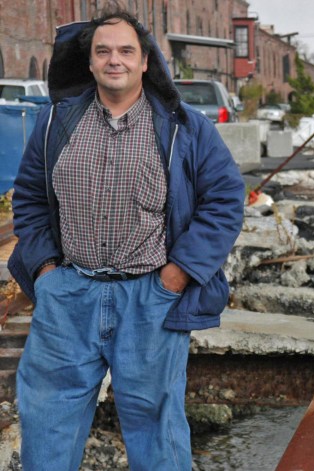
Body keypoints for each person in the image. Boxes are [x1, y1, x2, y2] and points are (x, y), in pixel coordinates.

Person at [8, 4, 244, 470]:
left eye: (125, 51)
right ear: (90, 62)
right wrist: (46, 272)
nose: (114, 60)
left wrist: (176, 277)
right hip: (68, 296)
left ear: (145, 61)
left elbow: (225, 201)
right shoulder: (56, 123)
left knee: (157, 429)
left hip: (150, 297)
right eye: (103, 51)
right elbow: (30, 200)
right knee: (47, 423)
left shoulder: (185, 127)